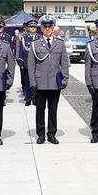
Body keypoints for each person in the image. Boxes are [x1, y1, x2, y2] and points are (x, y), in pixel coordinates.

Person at [28, 17, 69, 145]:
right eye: (45, 26)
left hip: (55, 83)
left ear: (53, 28)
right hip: (40, 83)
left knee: (53, 110)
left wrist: (65, 79)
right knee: (39, 110)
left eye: (49, 26)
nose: (47, 28)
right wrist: (32, 82)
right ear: (41, 28)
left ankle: (51, 134)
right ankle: (41, 134)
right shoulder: (35, 44)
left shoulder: (60, 44)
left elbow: (64, 63)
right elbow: (31, 65)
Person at [16, 19, 38, 106]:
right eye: (31, 27)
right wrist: (20, 61)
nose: (33, 28)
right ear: (28, 28)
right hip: (27, 64)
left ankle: (35, 98)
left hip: (37, 65)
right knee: (27, 82)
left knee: (36, 82)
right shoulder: (24, 38)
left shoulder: (39, 38)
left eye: (34, 27)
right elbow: (21, 50)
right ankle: (28, 99)